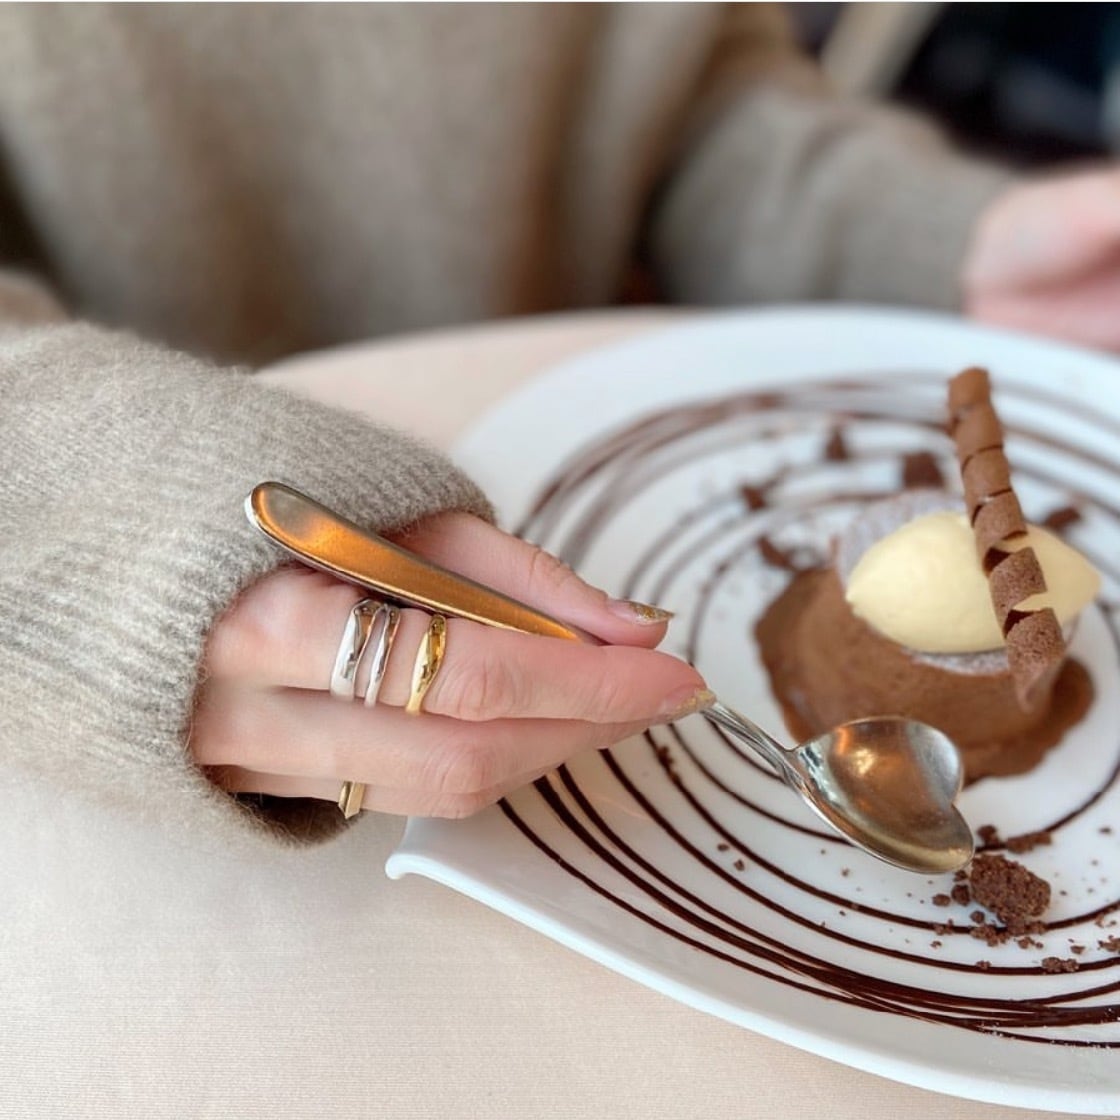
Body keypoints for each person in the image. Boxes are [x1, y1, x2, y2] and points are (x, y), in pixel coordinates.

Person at [1, 3, 1117, 850]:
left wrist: (916, 239)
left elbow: (677, 98)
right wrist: (77, 517)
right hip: (115, 749)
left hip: (574, 534)